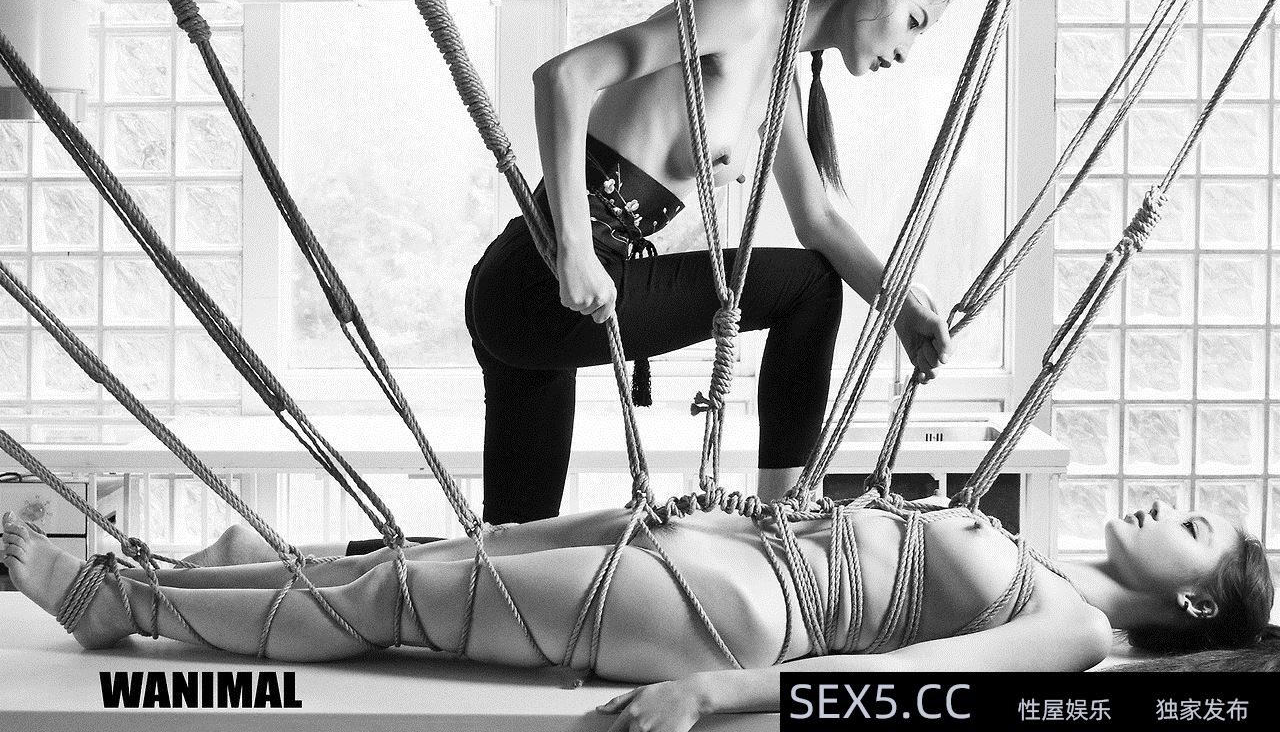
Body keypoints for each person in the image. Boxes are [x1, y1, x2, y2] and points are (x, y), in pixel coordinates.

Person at [466, 0, 956, 524]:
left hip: (543, 302)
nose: (907, 52)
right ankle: (785, 517)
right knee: (810, 288)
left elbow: (819, 222)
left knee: (508, 557)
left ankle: (340, 573)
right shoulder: (744, 11)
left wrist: (903, 308)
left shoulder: (779, 79)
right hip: (544, 281)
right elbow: (563, 78)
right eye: (915, 20)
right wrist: (576, 253)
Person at [3, 497, 1273, 731]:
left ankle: (119, 602)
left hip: (732, 607)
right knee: (416, 558)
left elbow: (895, 683)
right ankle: (174, 579)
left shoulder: (1071, 630)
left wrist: (710, 691)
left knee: (398, 596)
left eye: (1193, 522)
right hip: (723, 546)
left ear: (1195, 593)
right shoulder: (1046, 564)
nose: (1165, 504)